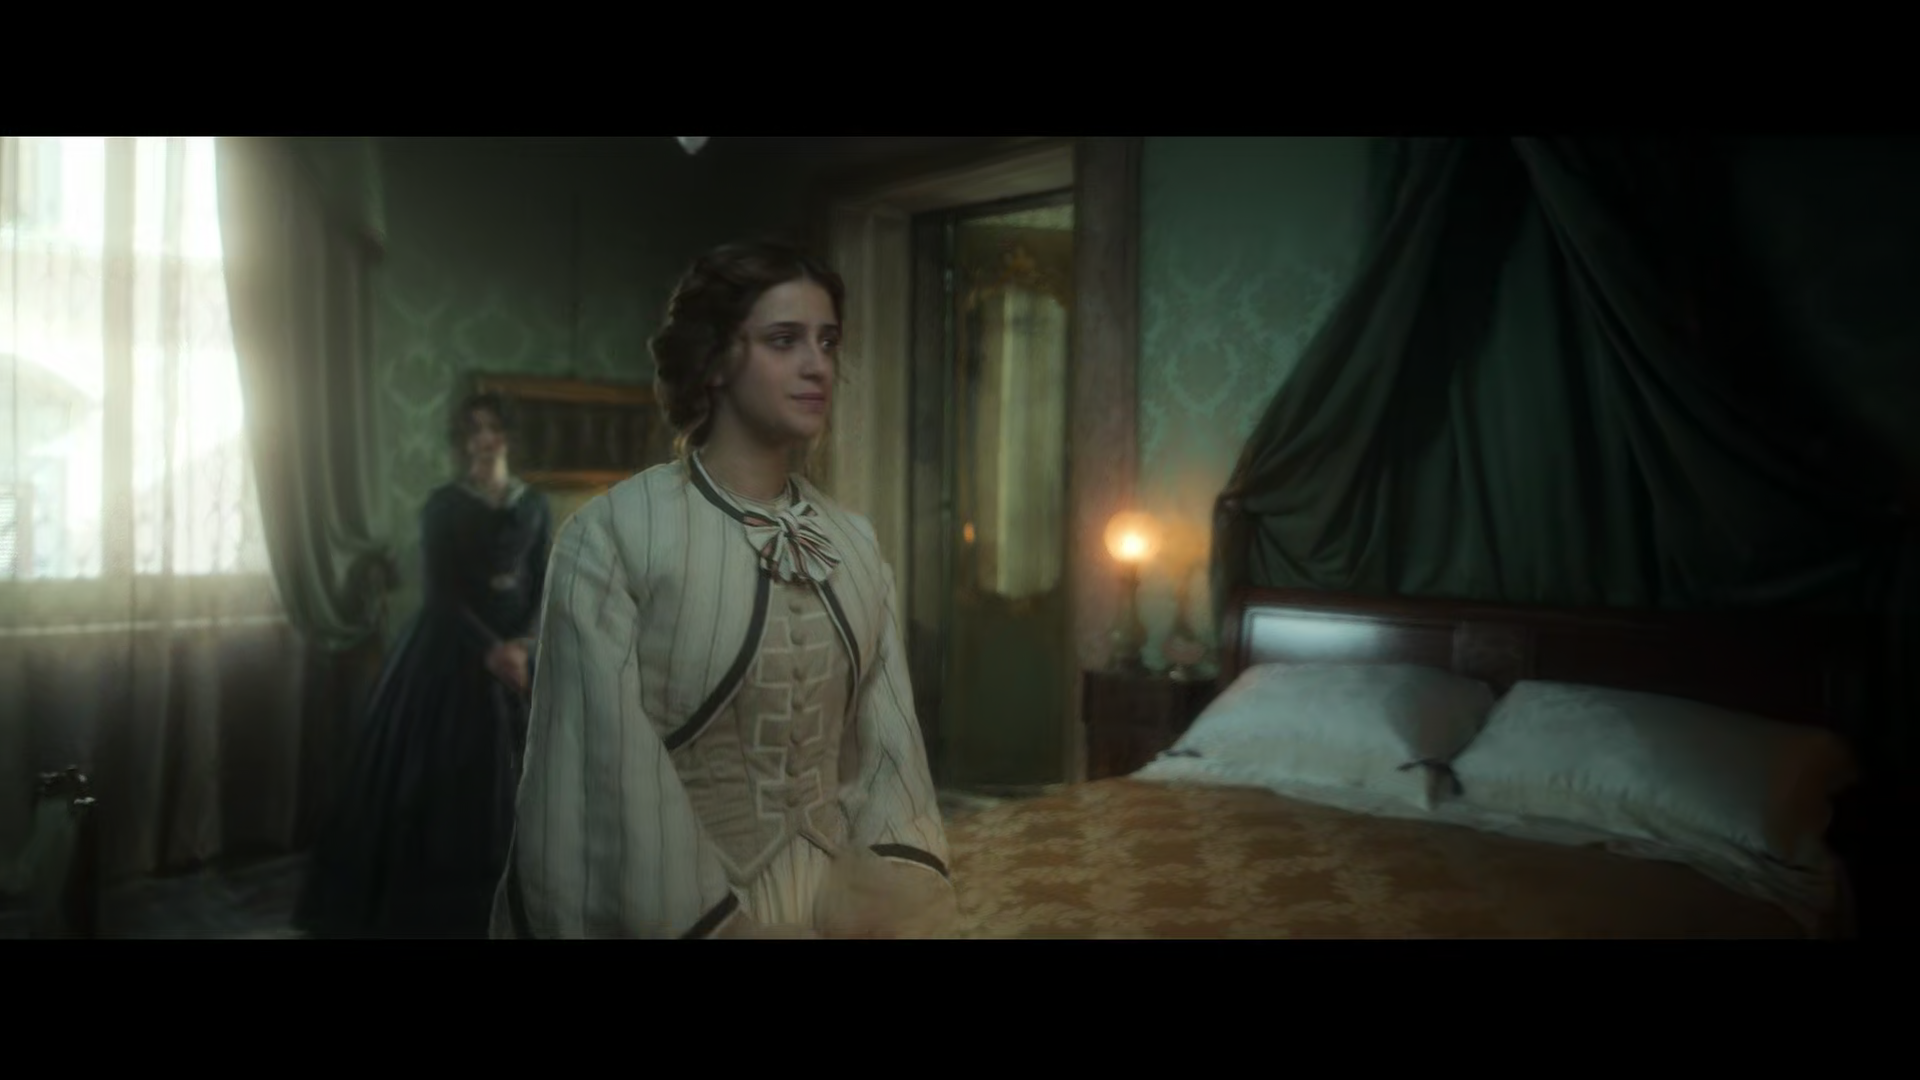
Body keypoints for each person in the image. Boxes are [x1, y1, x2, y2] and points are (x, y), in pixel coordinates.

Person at [492, 239, 955, 939]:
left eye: (828, 342)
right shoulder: (614, 536)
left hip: (840, 905)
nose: (817, 365)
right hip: (681, 909)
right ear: (713, 361)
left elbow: (891, 747)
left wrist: (895, 891)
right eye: (783, 340)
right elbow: (606, 766)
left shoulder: (854, 542)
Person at [296, 391, 551, 938]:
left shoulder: (534, 504)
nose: (485, 440)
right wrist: (491, 650)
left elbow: (540, 580)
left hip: (519, 649)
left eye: (494, 428)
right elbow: (442, 593)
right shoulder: (443, 506)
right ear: (463, 441)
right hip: (451, 651)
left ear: (508, 436)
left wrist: (523, 645)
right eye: (474, 430)